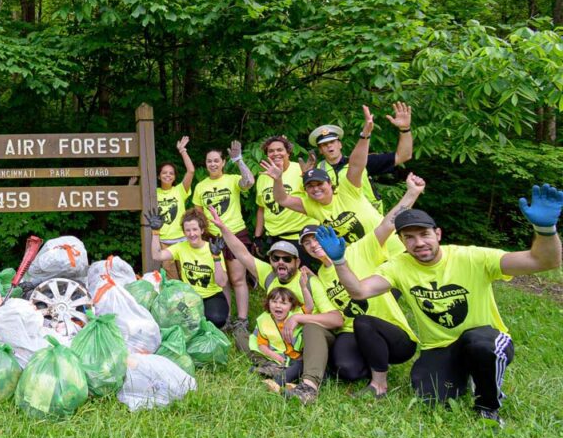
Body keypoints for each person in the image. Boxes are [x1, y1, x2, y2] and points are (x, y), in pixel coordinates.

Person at [316, 184, 563, 425]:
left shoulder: (472, 257)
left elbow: (543, 261)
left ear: (438, 234)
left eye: (424, 234)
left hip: (483, 337)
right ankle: (467, 374)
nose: (419, 243)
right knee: (430, 396)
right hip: (438, 346)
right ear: (402, 242)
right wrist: (339, 261)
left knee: (480, 345)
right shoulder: (398, 267)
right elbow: (358, 291)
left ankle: (488, 406)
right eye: (409, 238)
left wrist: (545, 229)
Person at [298, 173, 427, 398]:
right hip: (351, 331)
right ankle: (371, 361)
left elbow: (387, 223)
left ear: (329, 237)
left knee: (364, 322)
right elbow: (335, 314)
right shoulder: (320, 276)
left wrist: (411, 193)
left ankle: (379, 385)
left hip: (391, 334)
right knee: (346, 369)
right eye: (307, 244)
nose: (312, 245)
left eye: (316, 238)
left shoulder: (358, 250)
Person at [209, 205, 344, 404]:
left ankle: (307, 383)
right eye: (275, 258)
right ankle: (269, 364)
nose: (280, 262)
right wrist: (223, 228)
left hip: (307, 341)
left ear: (297, 262)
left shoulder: (309, 281)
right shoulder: (270, 275)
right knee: (241, 334)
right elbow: (242, 253)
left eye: (286, 259)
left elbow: (336, 319)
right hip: (278, 339)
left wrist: (298, 317)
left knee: (311, 329)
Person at [267, 106, 402, 255]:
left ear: (330, 184)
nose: (315, 188)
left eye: (319, 184)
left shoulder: (348, 191)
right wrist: (278, 179)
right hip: (359, 254)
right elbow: (282, 199)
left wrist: (365, 135)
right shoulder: (313, 205)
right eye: (310, 186)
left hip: (388, 245)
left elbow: (356, 164)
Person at [192, 142, 255, 334]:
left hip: (235, 233)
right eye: (209, 161)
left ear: (223, 162)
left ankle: (242, 319)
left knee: (238, 278)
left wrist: (239, 161)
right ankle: (226, 318)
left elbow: (249, 182)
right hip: (213, 237)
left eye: (216, 161)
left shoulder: (232, 179)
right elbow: (198, 213)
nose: (212, 164)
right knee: (223, 280)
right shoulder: (201, 186)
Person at [309, 101, 414, 212]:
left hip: (371, 218)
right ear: (320, 150)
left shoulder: (361, 161)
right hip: (341, 222)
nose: (329, 146)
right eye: (324, 144)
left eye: (332, 142)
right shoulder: (318, 171)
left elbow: (404, 155)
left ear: (340, 144)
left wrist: (405, 129)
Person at [147, 208, 229, 328]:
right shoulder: (180, 247)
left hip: (211, 295)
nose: (191, 234)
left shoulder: (213, 248)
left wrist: (216, 257)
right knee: (174, 316)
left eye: (195, 229)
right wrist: (155, 232)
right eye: (188, 230)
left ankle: (202, 321)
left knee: (217, 319)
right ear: (184, 232)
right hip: (188, 295)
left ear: (202, 230)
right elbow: (157, 255)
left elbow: (222, 282)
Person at [253, 135, 315, 263]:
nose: (275, 153)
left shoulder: (301, 169)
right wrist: (258, 237)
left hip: (302, 236)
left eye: (280, 150)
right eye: (271, 151)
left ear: (288, 152)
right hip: (275, 238)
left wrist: (308, 178)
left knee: (306, 276)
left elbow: (317, 199)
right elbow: (261, 208)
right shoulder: (263, 177)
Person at [155, 136, 196, 280]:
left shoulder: (180, 190)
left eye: (171, 173)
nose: (168, 175)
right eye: (164, 172)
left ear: (174, 177)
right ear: (159, 176)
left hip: (182, 239)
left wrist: (182, 151)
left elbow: (190, 171)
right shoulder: (153, 193)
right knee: (172, 278)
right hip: (164, 241)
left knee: (188, 275)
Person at [251, 287, 304, 390]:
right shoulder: (264, 320)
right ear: (268, 303)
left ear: (291, 306)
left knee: (300, 367)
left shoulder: (296, 316)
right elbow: (262, 345)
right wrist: (276, 357)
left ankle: (278, 380)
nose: (278, 305)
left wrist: (304, 287)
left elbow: (310, 306)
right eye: (274, 301)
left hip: (298, 357)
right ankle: (271, 372)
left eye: (283, 303)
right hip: (279, 358)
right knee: (266, 360)